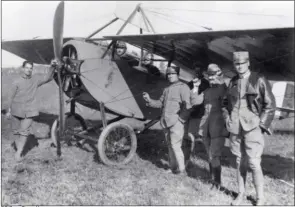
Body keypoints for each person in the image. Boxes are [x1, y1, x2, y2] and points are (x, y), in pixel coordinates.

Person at [222, 51, 276, 205]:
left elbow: (270, 105)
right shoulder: (232, 81)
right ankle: (241, 194)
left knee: (253, 162)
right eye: (236, 64)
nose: (239, 66)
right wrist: (227, 119)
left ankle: (260, 197)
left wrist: (262, 124)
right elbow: (225, 104)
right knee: (240, 161)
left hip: (253, 127)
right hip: (235, 127)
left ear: (248, 63)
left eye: (242, 63)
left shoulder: (258, 79)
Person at [143, 65, 191, 175]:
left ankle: (182, 170)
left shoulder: (183, 87)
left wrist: (181, 120)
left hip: (176, 122)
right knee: (170, 146)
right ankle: (173, 168)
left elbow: (187, 106)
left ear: (177, 75)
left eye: (172, 74)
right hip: (166, 122)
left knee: (175, 145)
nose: (170, 76)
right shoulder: (167, 89)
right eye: (168, 74)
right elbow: (160, 103)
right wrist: (149, 100)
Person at [6, 60, 57, 161]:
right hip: (16, 110)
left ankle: (19, 152)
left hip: (30, 110)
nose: (28, 70)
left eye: (30, 68)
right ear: (23, 68)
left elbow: (47, 78)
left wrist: (52, 66)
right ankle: (18, 148)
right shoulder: (16, 81)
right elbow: (10, 97)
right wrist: (8, 110)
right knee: (16, 132)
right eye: (27, 68)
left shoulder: (35, 80)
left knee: (24, 131)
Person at [196, 64, 228, 188]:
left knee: (215, 154)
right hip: (205, 126)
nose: (210, 79)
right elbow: (199, 104)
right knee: (209, 153)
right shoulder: (207, 91)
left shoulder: (224, 89)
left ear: (219, 75)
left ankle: (217, 182)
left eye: (213, 76)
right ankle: (211, 178)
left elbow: (227, 108)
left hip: (218, 126)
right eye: (209, 76)